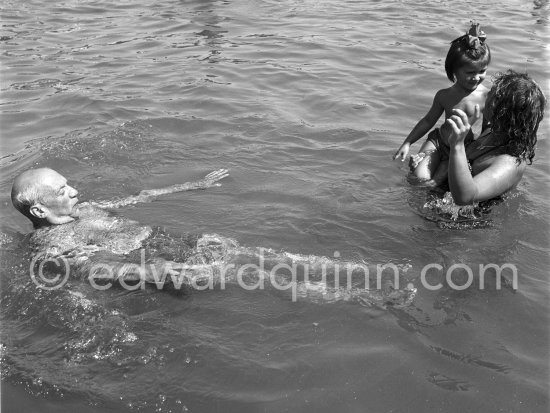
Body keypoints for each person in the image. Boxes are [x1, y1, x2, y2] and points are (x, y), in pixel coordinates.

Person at [11, 167, 232, 282]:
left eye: (68, 184)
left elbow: (142, 196)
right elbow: (89, 269)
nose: (74, 191)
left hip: (165, 242)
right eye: (62, 191)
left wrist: (196, 184)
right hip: (149, 267)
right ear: (39, 210)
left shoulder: (89, 206)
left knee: (230, 249)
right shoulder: (49, 244)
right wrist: (147, 273)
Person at [393, 23, 491, 184]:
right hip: (438, 142)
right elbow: (427, 121)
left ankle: (440, 175)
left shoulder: (488, 96)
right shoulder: (444, 95)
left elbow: (488, 129)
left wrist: (477, 154)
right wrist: (407, 143)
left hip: (463, 148)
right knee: (418, 178)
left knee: (435, 183)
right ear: (453, 71)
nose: (476, 77)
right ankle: (419, 165)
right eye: (470, 72)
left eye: (482, 71)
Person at [445, 70, 545, 205]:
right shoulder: (492, 131)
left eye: (493, 94)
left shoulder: (510, 164)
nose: (487, 94)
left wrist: (457, 145)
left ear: (504, 110)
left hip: (463, 223)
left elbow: (465, 197)